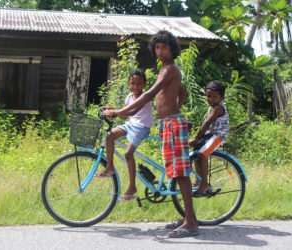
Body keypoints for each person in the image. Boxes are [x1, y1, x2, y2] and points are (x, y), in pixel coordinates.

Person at [104, 30, 198, 238]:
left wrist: (120, 112)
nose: (160, 51)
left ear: (172, 49)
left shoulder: (170, 68)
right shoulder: (166, 69)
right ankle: (187, 219)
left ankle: (191, 222)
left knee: (181, 174)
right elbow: (181, 91)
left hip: (173, 124)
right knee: (175, 172)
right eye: (157, 47)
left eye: (164, 47)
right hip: (168, 123)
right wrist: (174, 108)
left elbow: (149, 94)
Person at [96, 69, 154, 202]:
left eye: (139, 84)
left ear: (144, 84)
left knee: (128, 154)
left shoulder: (145, 98)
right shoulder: (129, 97)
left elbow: (133, 111)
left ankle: (132, 187)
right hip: (130, 124)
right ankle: (109, 167)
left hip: (142, 127)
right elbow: (125, 115)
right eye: (133, 83)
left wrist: (114, 112)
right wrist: (112, 110)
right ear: (129, 83)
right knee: (109, 135)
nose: (135, 86)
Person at [189, 80, 229, 197]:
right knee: (196, 153)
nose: (210, 99)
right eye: (208, 96)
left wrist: (197, 138)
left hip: (217, 136)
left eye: (214, 97)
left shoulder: (218, 108)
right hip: (209, 135)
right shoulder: (213, 107)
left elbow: (206, 123)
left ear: (222, 97)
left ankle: (204, 184)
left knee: (202, 155)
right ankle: (198, 180)